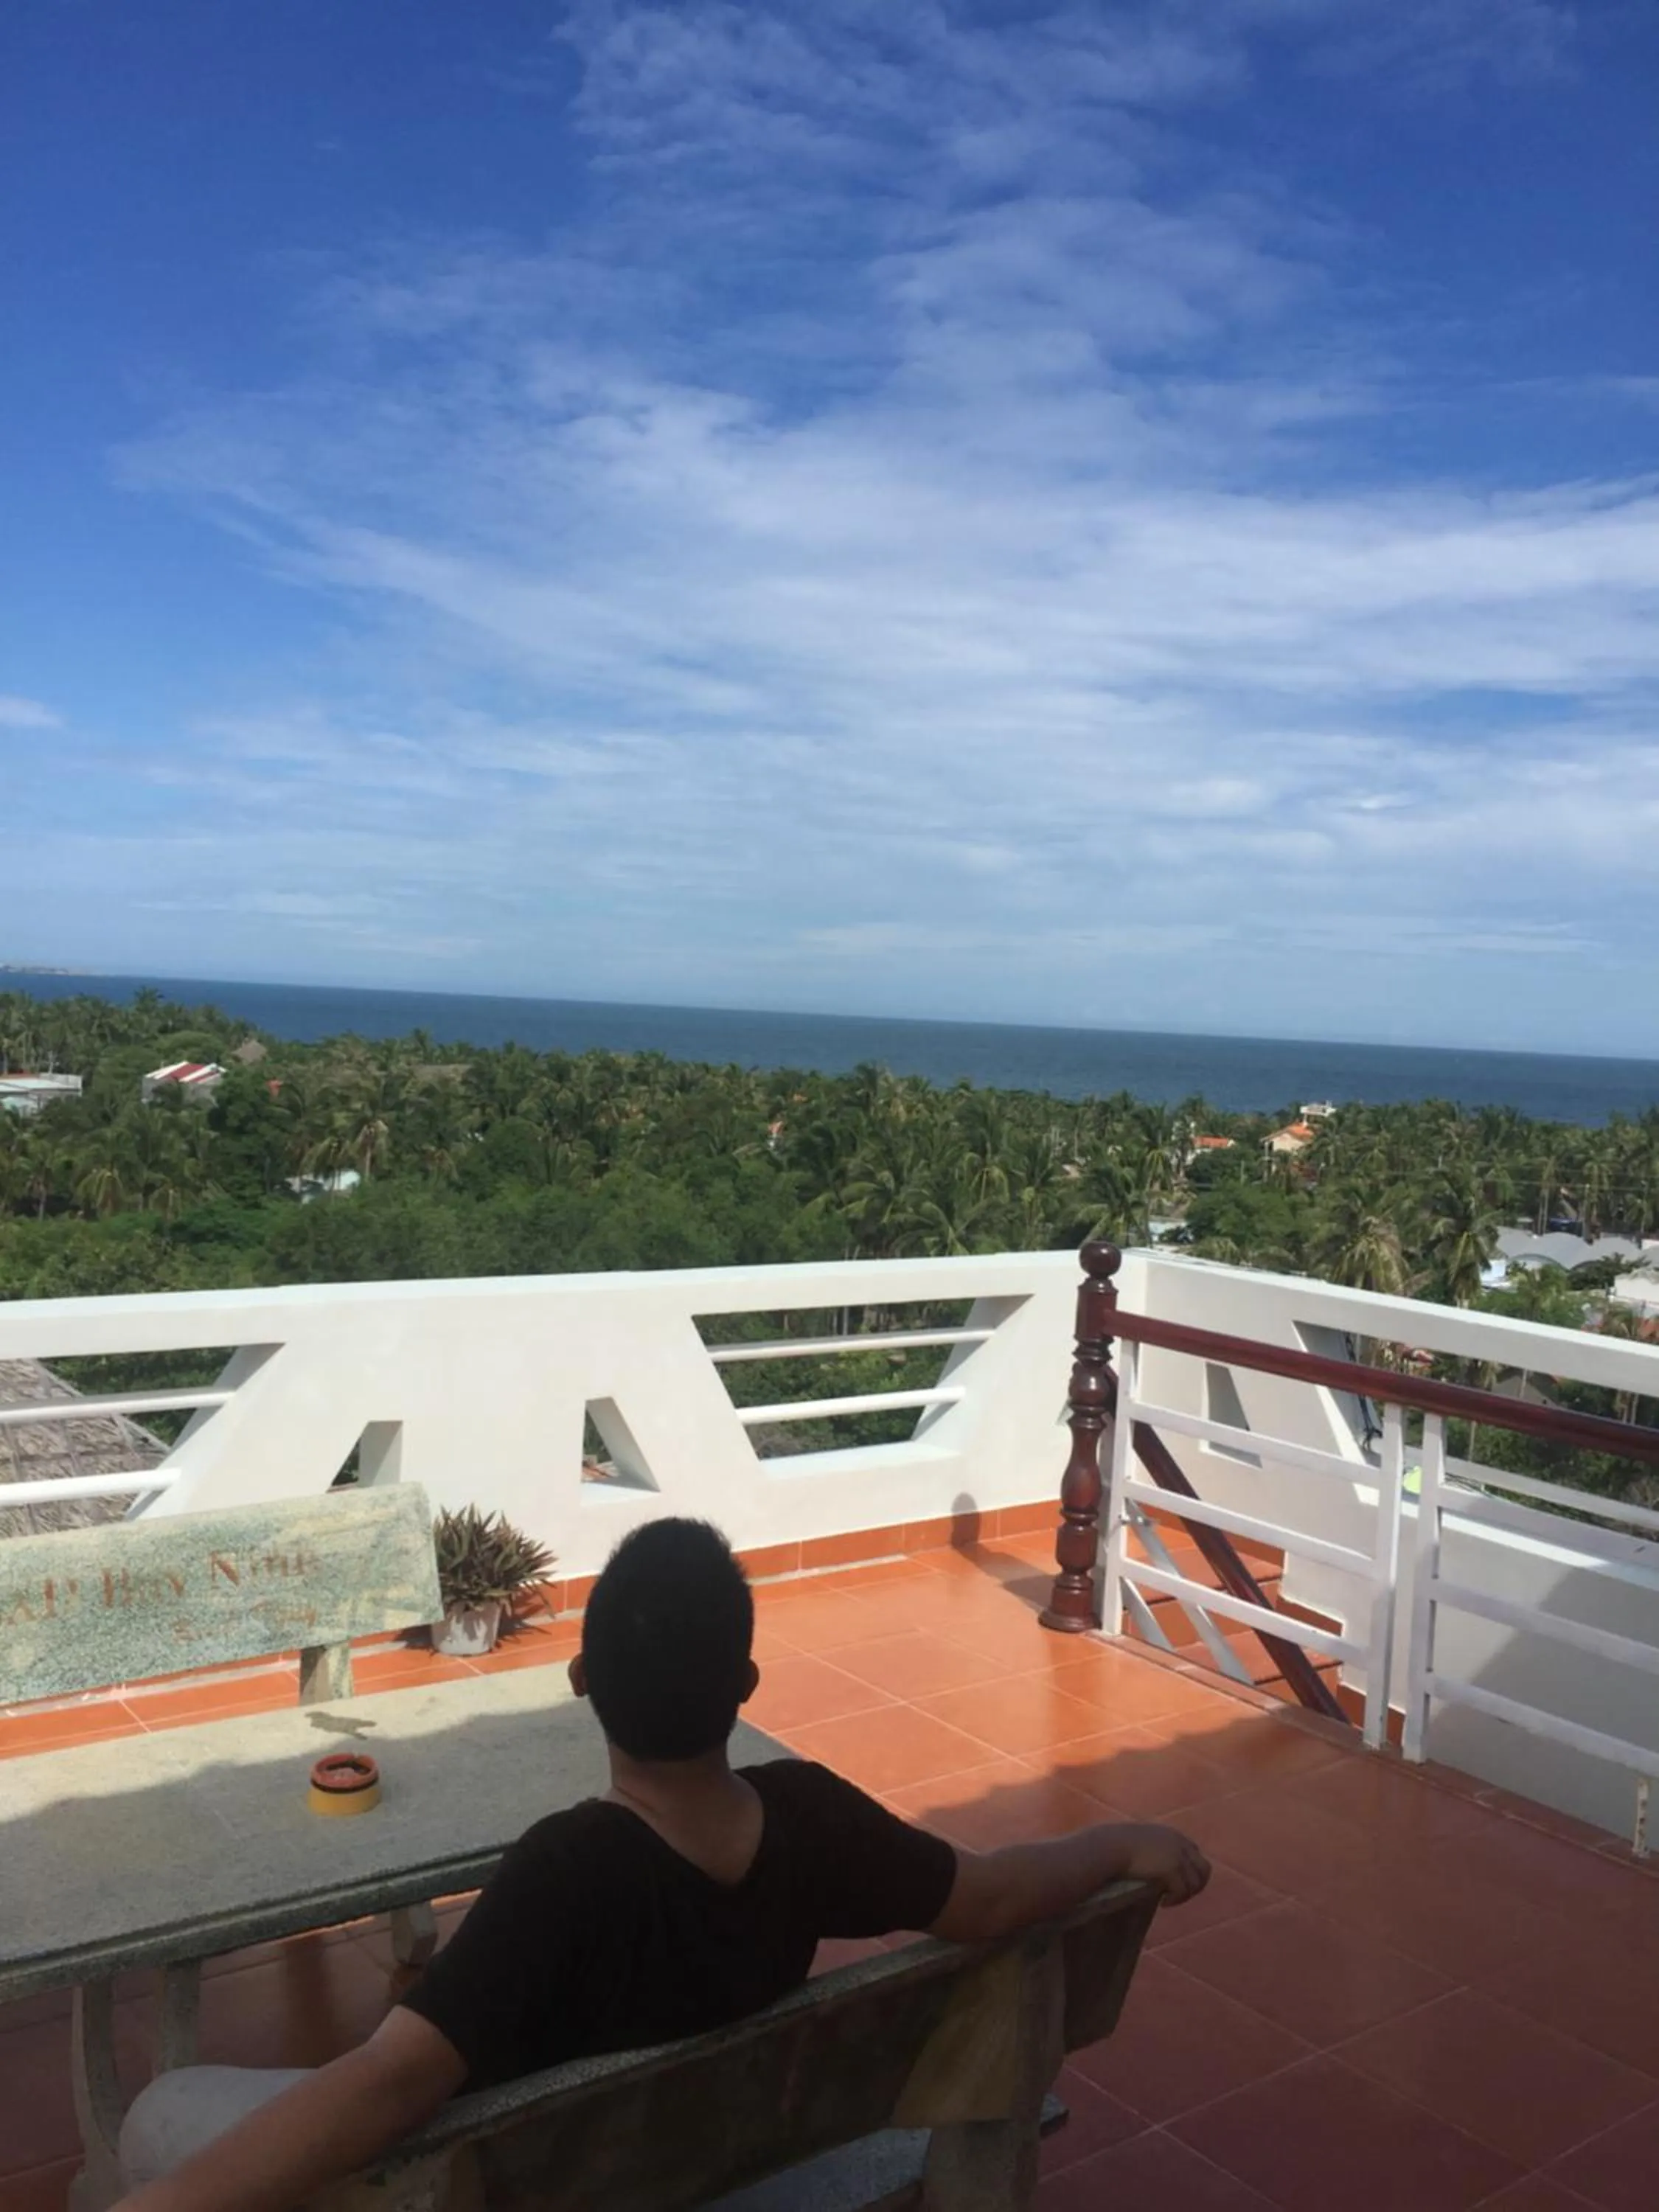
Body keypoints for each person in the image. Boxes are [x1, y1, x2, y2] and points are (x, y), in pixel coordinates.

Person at [117, 1518, 1209, 2212]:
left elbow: (390, 2084)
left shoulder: (562, 1875)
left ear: (583, 1681)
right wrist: (1120, 1843)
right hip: (716, 2141)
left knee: (158, 2112)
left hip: (531, 2180)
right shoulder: (812, 1818)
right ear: (744, 1686)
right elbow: (993, 1896)